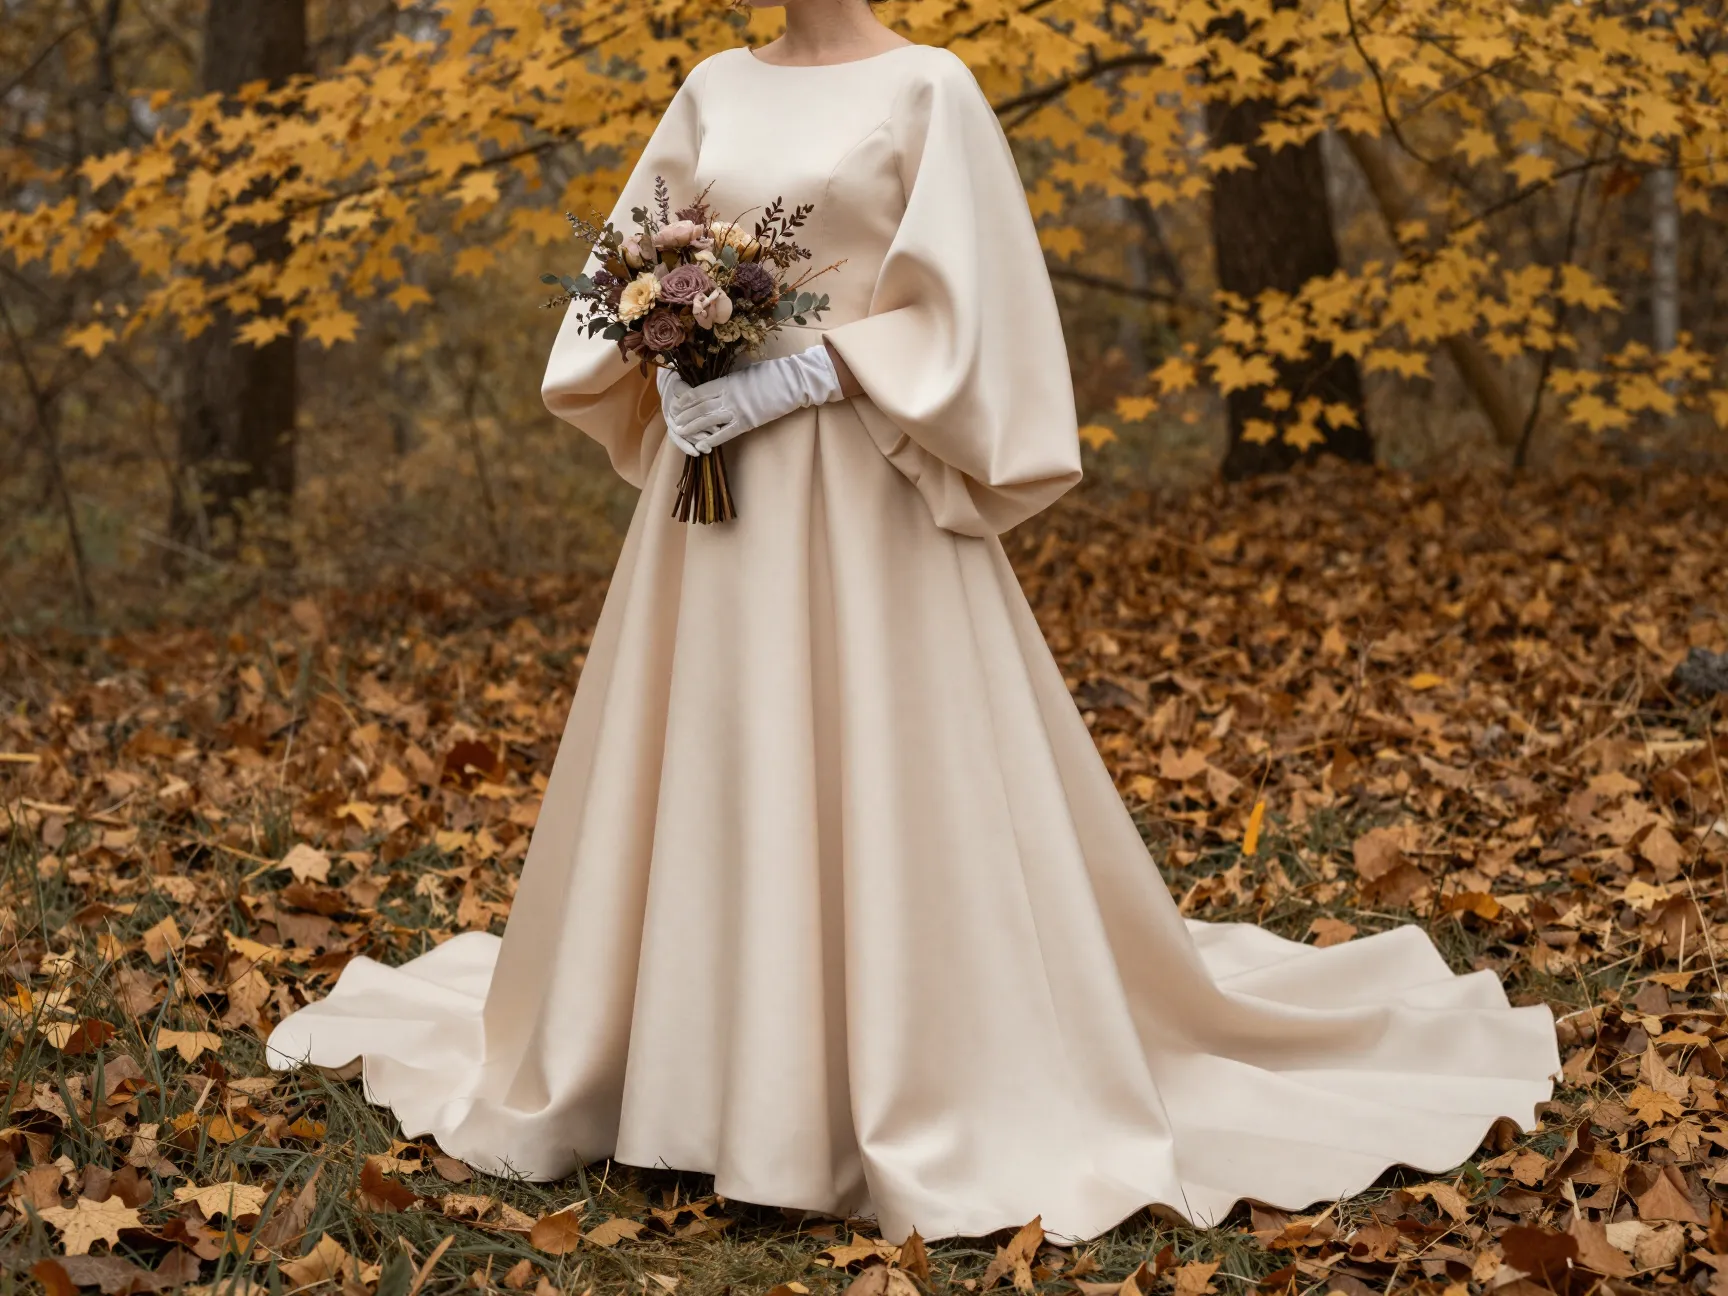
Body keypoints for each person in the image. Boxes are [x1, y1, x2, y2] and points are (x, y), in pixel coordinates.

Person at [267, 0, 1560, 1245]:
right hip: (713, 505)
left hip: (860, 496)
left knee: (873, 764)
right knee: (717, 760)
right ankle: (696, 1075)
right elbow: (617, 277)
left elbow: (969, 316)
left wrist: (802, 371)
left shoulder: (931, 87)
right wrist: (675, 360)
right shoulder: (713, 87)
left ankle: (872, 1081)